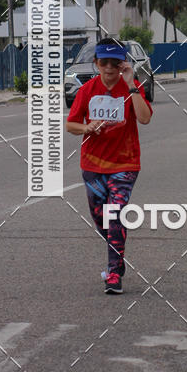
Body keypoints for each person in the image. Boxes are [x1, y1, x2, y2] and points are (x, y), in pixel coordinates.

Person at [66, 37, 152, 294]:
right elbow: (71, 124)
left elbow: (145, 118)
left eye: (116, 63)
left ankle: (113, 273)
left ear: (123, 64)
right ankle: (118, 254)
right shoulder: (87, 91)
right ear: (96, 63)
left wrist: (131, 84)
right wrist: (86, 127)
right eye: (104, 63)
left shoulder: (132, 87)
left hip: (125, 164)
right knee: (100, 217)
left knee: (115, 214)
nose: (110, 68)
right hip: (92, 164)